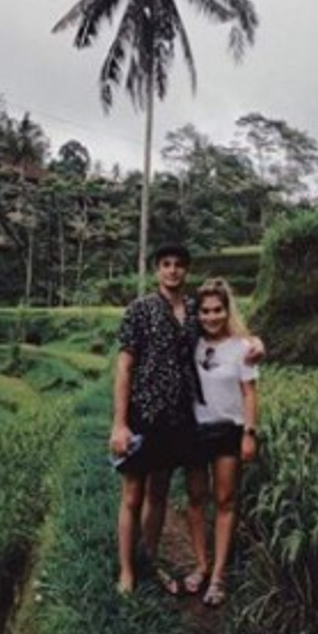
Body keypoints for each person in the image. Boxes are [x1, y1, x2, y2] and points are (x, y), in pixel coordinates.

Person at [110, 243, 201, 595]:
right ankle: (127, 571)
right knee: (133, 494)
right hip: (142, 415)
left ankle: (149, 559)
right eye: (166, 264)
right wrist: (120, 423)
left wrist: (253, 343)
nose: (173, 270)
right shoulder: (140, 310)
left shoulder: (194, 310)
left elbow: (226, 332)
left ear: (186, 271)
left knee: (159, 493)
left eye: (179, 265)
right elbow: (125, 366)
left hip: (177, 417)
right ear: (156, 270)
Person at [181, 278, 259, 608]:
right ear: (196, 314)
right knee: (196, 498)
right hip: (195, 430)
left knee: (225, 500)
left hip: (229, 430)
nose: (211, 317)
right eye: (205, 311)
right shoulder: (190, 343)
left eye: (217, 310)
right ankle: (201, 565)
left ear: (227, 311)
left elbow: (249, 394)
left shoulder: (242, 348)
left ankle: (219, 576)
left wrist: (249, 434)